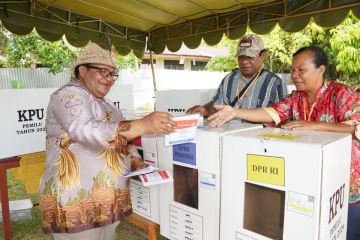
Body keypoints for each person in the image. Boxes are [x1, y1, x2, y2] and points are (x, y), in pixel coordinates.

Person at [207, 46, 360, 239]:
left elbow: (356, 126)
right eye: (293, 70)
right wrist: (235, 112)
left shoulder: (341, 94)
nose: (294, 76)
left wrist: (314, 126)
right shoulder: (295, 97)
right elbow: (271, 112)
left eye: (301, 70)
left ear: (321, 70)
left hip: (345, 189)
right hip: (309, 182)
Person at [38, 42, 176, 240]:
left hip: (107, 200)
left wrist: (140, 166)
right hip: (76, 200)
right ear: (83, 70)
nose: (109, 79)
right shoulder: (68, 96)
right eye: (103, 72)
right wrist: (143, 125)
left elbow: (122, 142)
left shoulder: (107, 105)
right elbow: (84, 130)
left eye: (113, 74)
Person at [186, 34, 288, 117]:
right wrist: (205, 110)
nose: (244, 62)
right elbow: (216, 106)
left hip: (260, 138)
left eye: (250, 57)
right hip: (230, 136)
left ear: (263, 55)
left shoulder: (275, 83)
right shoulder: (229, 79)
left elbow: (283, 116)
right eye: (241, 57)